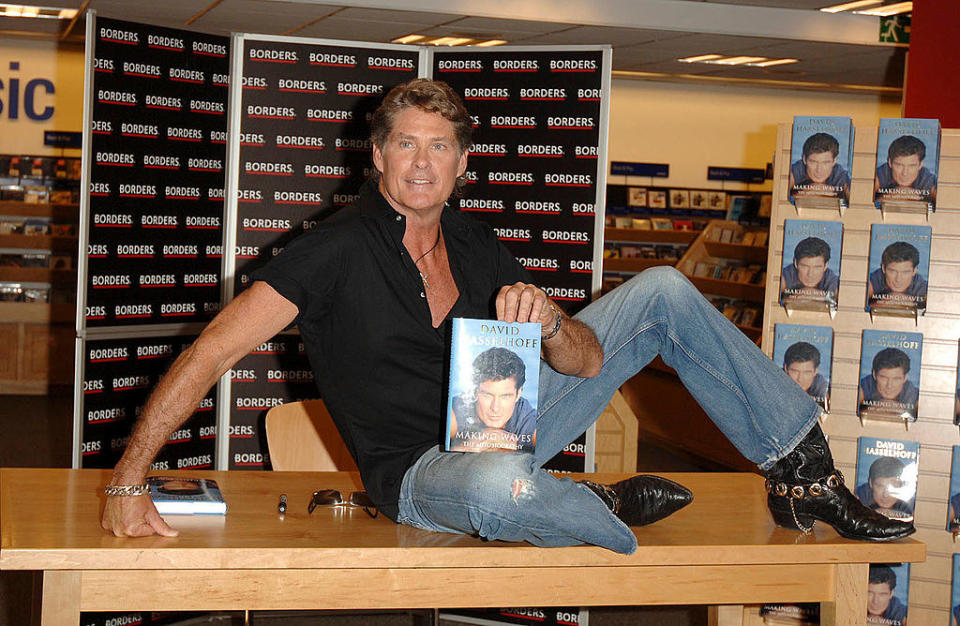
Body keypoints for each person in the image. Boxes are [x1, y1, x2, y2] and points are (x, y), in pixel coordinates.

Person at [100, 78, 913, 551]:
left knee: (663, 287)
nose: (423, 162)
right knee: (498, 484)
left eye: (440, 148)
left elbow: (586, 365)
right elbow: (208, 352)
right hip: (419, 475)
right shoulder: (332, 252)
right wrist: (128, 481)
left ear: (462, 162)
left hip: (509, 426)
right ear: (377, 155)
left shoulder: (477, 242)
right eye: (407, 145)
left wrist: (555, 323)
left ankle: (804, 474)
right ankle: (597, 506)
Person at [448, 347, 536, 452]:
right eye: (487, 395)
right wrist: (469, 447)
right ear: (475, 391)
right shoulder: (455, 411)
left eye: (505, 396)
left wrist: (514, 447)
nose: (495, 408)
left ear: (518, 394)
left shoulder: (527, 419)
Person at [874, 134, 937, 203]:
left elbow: (942, 202)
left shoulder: (927, 179)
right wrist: (900, 194)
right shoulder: (882, 173)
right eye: (899, 165)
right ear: (890, 162)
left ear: (920, 165)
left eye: (912, 166)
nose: (905, 173)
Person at [788, 132, 850, 199]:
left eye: (826, 163)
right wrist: (812, 190)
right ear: (804, 159)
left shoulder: (840, 175)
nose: (819, 170)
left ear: (834, 161)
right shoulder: (797, 170)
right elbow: (780, 195)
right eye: (813, 162)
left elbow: (854, 201)